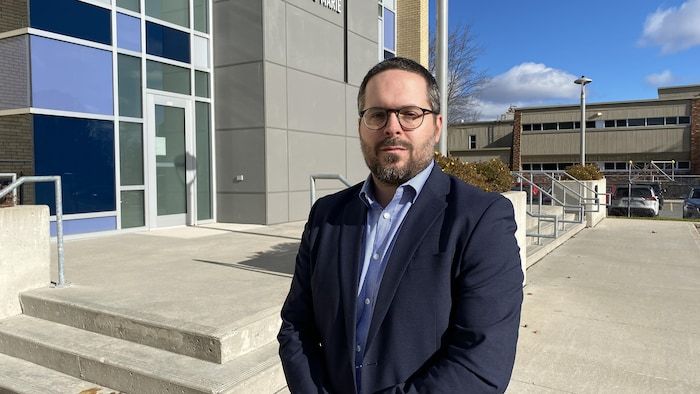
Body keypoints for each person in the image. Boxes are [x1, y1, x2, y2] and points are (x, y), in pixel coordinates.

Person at [278, 57, 523, 394]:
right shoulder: (327, 215)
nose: (392, 127)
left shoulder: (481, 219)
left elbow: (480, 363)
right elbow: (296, 327)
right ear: (361, 126)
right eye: (377, 114)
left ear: (436, 127)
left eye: (410, 114)